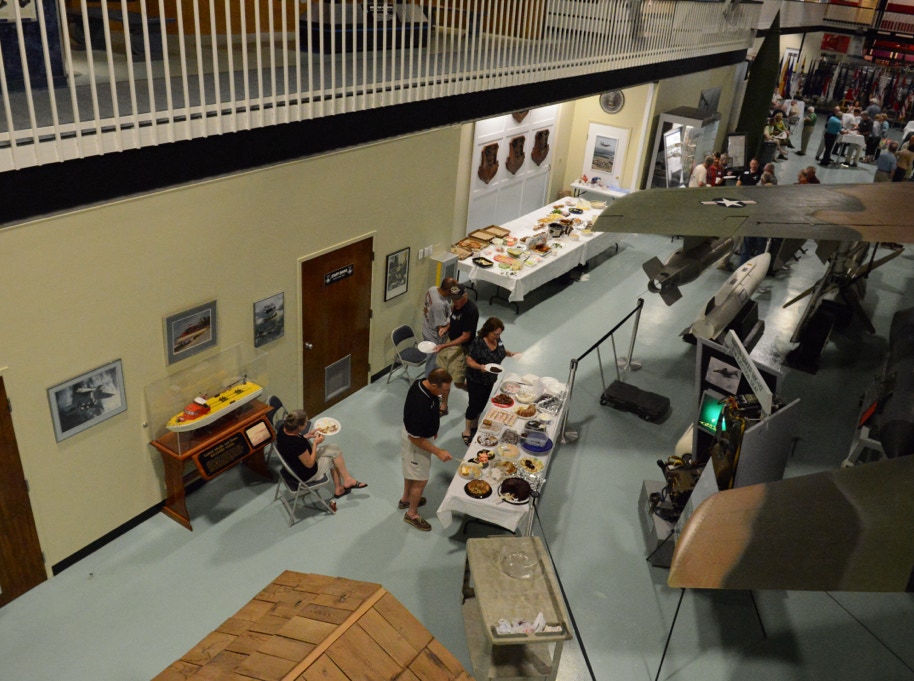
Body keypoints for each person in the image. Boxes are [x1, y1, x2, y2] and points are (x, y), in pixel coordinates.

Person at [400, 368, 453, 531]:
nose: (446, 393)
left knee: (412, 472)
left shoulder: (422, 383)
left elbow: (432, 408)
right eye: (444, 390)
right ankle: (411, 514)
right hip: (416, 442)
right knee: (420, 480)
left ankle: (406, 499)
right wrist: (438, 451)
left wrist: (432, 428)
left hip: (422, 434)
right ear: (433, 385)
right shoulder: (419, 403)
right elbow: (414, 438)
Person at [276, 410, 367, 501]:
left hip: (295, 462)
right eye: (305, 423)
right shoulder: (297, 444)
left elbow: (295, 446)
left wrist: (306, 436)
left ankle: (347, 481)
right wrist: (315, 444)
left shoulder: (283, 428)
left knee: (334, 448)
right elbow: (310, 464)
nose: (307, 423)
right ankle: (341, 487)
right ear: (299, 427)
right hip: (306, 474)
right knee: (334, 459)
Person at [462, 317, 520, 445]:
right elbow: (469, 360)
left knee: (482, 403)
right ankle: (467, 430)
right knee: (473, 405)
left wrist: (511, 354)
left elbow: (501, 351)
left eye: (499, 334)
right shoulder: (478, 342)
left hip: (490, 379)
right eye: (495, 334)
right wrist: (480, 367)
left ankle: (475, 424)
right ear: (488, 331)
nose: (498, 336)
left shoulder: (497, 340)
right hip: (476, 379)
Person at [434, 284, 479, 415]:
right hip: (450, 342)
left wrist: (443, 346)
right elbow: (453, 320)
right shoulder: (455, 306)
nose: (455, 301)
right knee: (443, 376)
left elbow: (465, 337)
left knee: (458, 383)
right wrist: (446, 328)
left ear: (465, 295)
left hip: (461, 348)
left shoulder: (471, 311)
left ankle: (476, 393)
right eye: (453, 298)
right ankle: (444, 406)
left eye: (458, 298)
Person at [421, 276, 459, 377]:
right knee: (433, 363)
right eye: (453, 290)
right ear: (448, 290)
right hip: (434, 337)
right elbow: (441, 329)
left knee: (432, 360)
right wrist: (454, 320)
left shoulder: (432, 289)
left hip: (426, 328)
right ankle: (430, 381)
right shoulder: (439, 306)